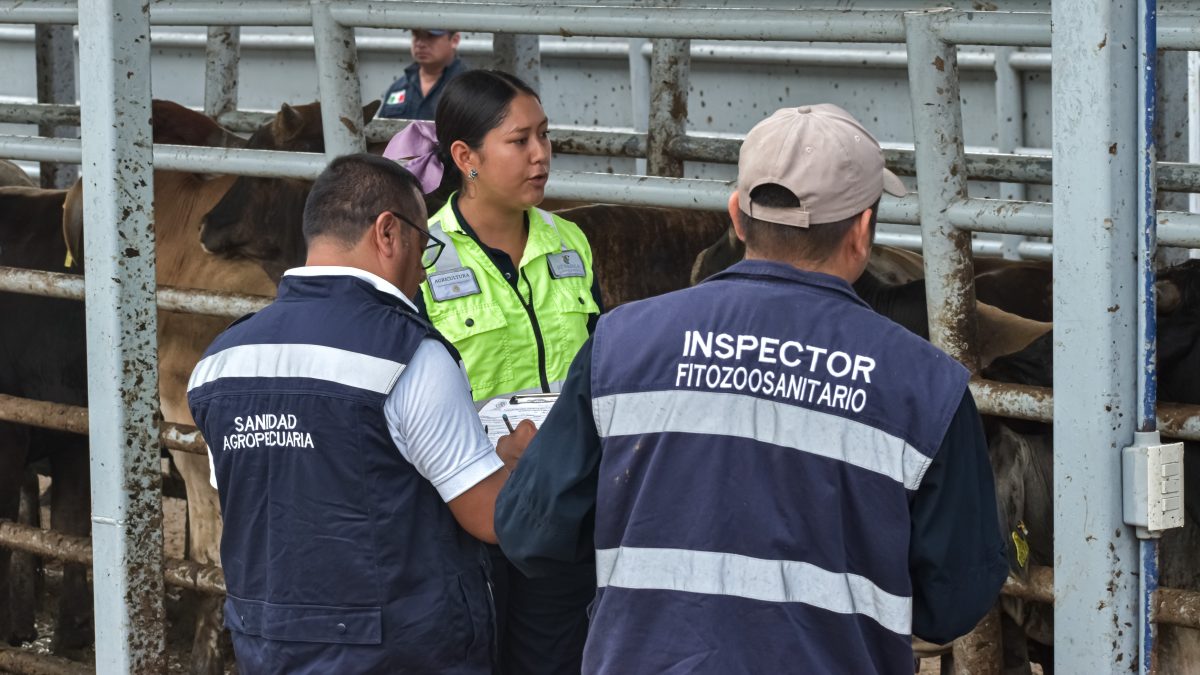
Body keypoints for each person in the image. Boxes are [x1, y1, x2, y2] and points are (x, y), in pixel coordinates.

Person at [494, 104, 1010, 674]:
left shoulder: (620, 343)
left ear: (737, 216)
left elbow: (531, 535)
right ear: (863, 232)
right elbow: (955, 597)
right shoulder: (929, 386)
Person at [186, 154, 534, 674]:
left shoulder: (219, 362)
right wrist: (519, 463)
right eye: (425, 245)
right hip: (398, 650)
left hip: (269, 647)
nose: (423, 267)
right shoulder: (410, 355)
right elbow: (491, 518)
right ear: (389, 233)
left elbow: (262, 496)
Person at [383, 69, 601, 674]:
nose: (540, 156)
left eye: (545, 137)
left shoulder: (573, 243)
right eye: (519, 140)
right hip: (460, 508)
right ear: (464, 156)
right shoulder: (420, 254)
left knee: (553, 658)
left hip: (558, 504)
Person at [377, 29, 468, 120]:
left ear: (454, 40)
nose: (420, 44)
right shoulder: (398, 88)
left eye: (430, 36)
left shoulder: (469, 88)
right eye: (416, 35)